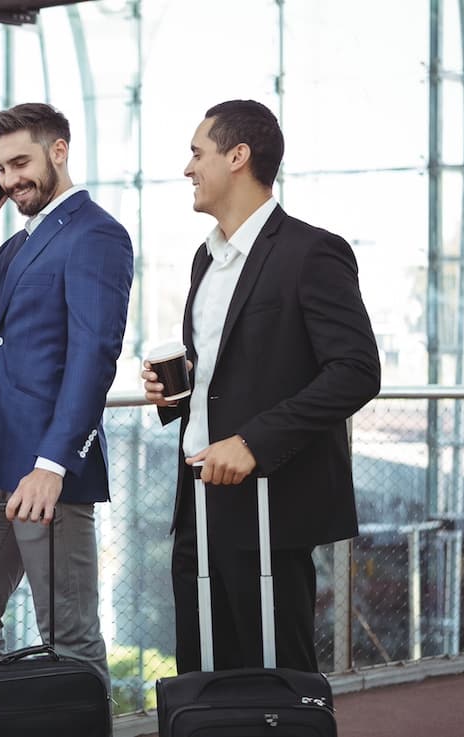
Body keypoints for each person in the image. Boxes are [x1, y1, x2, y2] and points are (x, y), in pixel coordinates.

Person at [142, 99, 380, 673]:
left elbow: (356, 371)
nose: (188, 168)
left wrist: (253, 443)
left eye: (198, 153)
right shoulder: (206, 258)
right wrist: (177, 392)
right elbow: (236, 370)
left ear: (238, 157)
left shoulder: (311, 251)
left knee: (276, 681)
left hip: (269, 505)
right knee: (202, 676)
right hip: (197, 500)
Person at [0, 102, 134, 686]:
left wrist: (52, 465)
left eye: (20, 161)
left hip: (48, 475)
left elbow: (93, 358)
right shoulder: (20, 244)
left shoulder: (97, 236)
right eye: (0, 166)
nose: (10, 177)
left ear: (59, 151)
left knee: (68, 637)